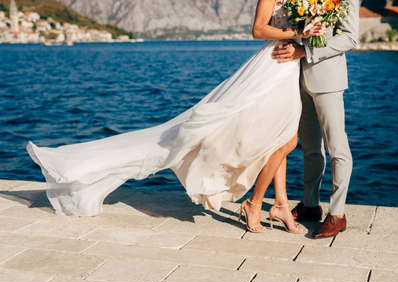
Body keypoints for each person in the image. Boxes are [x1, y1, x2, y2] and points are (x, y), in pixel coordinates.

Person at [26, 0, 324, 235]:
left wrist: (307, 34)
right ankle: (255, 203)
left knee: (279, 137)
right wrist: (298, 33)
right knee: (285, 140)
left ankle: (281, 205)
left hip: (288, 66)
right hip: (270, 67)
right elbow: (258, 29)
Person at [271, 0, 359, 238]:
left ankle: (338, 214)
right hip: (296, 78)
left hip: (328, 79)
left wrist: (306, 51)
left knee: (337, 148)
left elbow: (350, 37)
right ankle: (310, 205)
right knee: (310, 148)